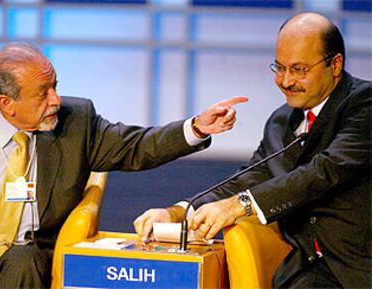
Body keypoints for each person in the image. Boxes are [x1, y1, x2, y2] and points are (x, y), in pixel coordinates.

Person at [0, 43, 248, 288]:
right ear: (7, 103)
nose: (56, 100)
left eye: (55, 87)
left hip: (25, 256)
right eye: (43, 93)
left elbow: (137, 146)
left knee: (23, 261)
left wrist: (197, 127)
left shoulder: (77, 122)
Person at [134, 12, 371, 289]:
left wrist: (240, 205)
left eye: (299, 70)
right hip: (309, 271)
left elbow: (323, 171)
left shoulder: (364, 105)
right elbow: (251, 176)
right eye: (279, 68)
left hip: (360, 268)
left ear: (335, 64)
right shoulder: (282, 121)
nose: (285, 80)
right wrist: (177, 212)